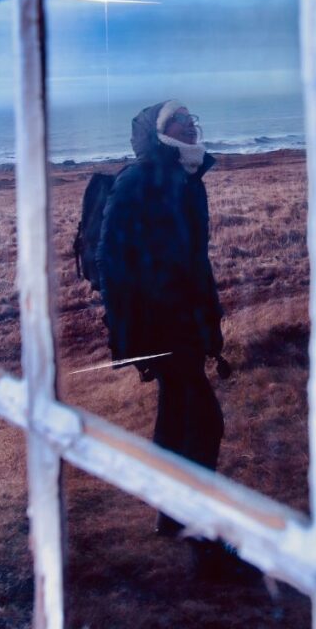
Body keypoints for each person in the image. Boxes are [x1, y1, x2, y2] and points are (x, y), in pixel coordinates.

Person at [95, 99, 226, 537]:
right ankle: (202, 537)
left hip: (185, 321)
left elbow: (193, 262)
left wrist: (210, 320)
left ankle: (171, 517)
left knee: (175, 415)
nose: (191, 126)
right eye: (180, 121)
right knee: (205, 421)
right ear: (160, 132)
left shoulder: (189, 179)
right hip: (160, 324)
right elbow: (111, 259)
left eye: (193, 119)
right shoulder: (139, 179)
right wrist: (129, 330)